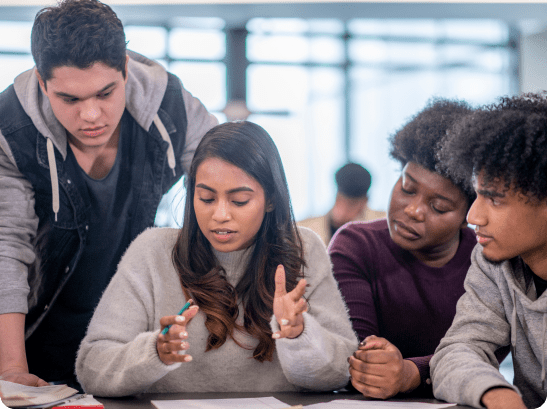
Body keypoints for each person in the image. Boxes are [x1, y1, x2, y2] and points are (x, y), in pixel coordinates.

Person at [0, 0, 217, 389]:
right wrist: (12, 371)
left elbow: (229, 185)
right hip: (37, 337)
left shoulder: (171, 107)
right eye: (70, 99)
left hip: (133, 346)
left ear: (126, 69)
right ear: (42, 81)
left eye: (105, 93)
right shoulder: (11, 130)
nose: (92, 115)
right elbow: (5, 249)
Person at [74, 121, 357, 397]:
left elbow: (343, 369)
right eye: (207, 198)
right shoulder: (152, 251)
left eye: (239, 201)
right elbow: (91, 367)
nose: (220, 215)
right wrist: (154, 352)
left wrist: (298, 334)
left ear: (271, 199)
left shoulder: (303, 248)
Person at [329, 99, 479, 399]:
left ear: (470, 214)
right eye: (407, 188)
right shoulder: (356, 245)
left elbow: (480, 353)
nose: (413, 210)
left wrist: (412, 373)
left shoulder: (485, 262)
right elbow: (354, 353)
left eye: (438, 206)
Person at [430, 93, 547, 409]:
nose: (473, 217)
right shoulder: (493, 260)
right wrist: (497, 396)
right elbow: (457, 351)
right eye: (478, 195)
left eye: (495, 200)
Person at [298, 163, 385, 246]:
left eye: (351, 204)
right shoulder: (304, 229)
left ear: (365, 202)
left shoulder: (381, 227)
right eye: (341, 200)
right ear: (336, 197)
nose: (344, 210)